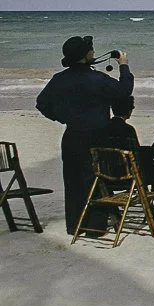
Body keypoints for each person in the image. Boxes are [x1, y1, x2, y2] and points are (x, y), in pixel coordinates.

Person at [37, 36, 134, 234]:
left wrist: (61, 117)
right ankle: (94, 227)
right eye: (91, 50)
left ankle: (75, 225)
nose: (93, 53)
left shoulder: (59, 79)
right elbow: (123, 91)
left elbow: (42, 104)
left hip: (72, 135)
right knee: (96, 180)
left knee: (73, 182)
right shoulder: (96, 79)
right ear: (85, 55)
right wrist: (123, 65)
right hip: (97, 136)